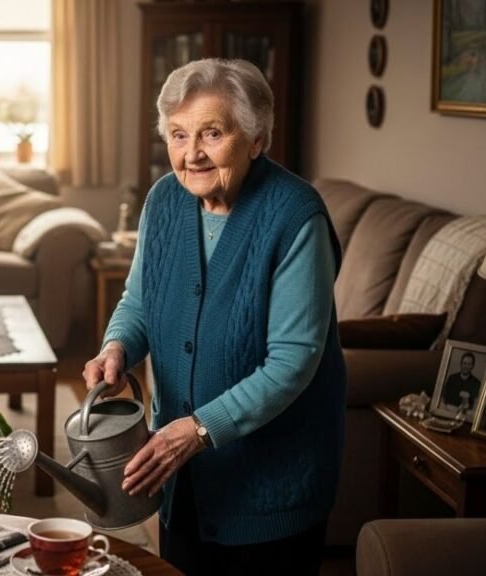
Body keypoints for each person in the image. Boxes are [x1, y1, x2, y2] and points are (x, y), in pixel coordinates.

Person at [82, 58, 345, 575]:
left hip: (271, 491)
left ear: (256, 139)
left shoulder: (296, 217)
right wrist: (116, 348)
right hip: (183, 476)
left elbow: (293, 361)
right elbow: (139, 298)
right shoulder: (162, 201)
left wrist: (199, 430)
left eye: (212, 133)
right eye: (178, 135)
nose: (192, 154)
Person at [442, 352, 481, 417]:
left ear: (472, 366)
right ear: (461, 364)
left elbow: (474, 403)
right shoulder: (452, 378)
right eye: (464, 363)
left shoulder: (476, 383)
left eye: (469, 364)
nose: (466, 366)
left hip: (466, 415)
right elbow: (444, 397)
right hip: (448, 410)